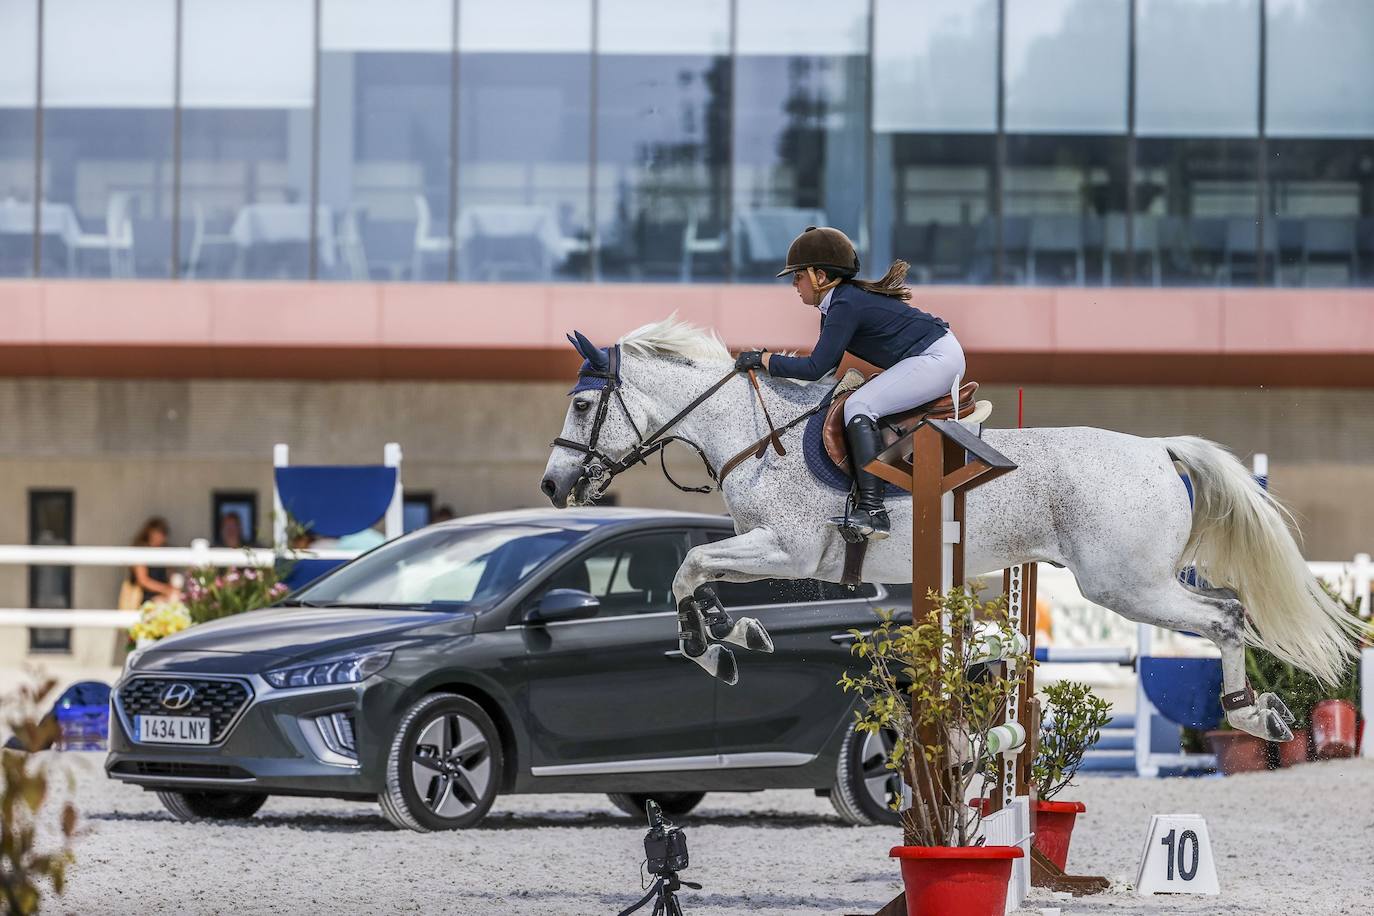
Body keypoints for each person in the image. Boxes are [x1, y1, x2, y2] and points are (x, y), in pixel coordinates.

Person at [734, 226, 964, 541]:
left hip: (937, 358)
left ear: (820, 276)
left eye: (798, 276)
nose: (794, 284)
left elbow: (816, 367)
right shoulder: (836, 306)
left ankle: (873, 509)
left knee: (859, 405)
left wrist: (765, 360)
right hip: (933, 355)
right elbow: (827, 371)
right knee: (855, 400)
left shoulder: (844, 305)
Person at [127, 516, 180, 604]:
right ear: (149, 533)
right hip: (144, 596)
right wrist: (165, 589)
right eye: (157, 533)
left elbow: (171, 575)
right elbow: (143, 580)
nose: (160, 537)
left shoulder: (165, 551)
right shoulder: (141, 551)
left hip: (162, 594)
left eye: (163, 534)